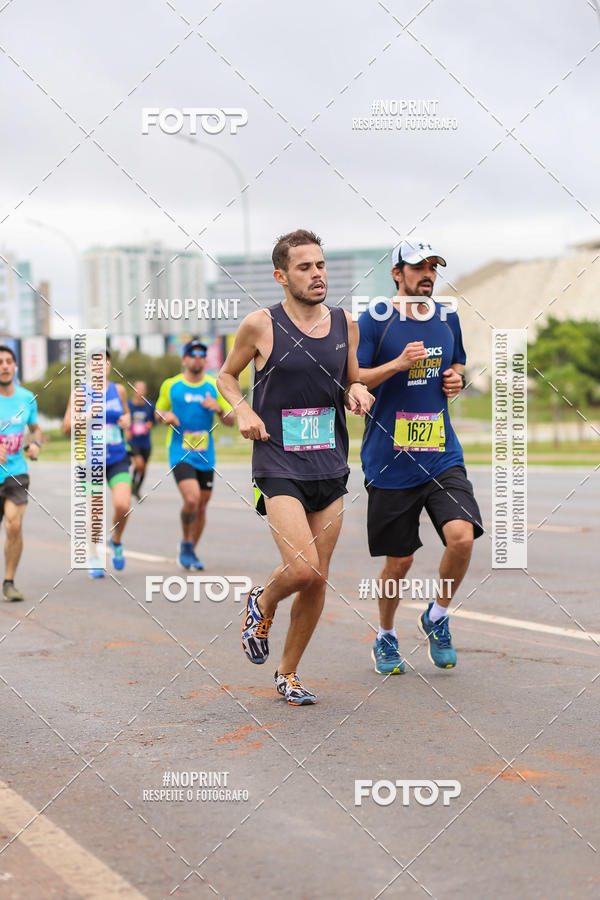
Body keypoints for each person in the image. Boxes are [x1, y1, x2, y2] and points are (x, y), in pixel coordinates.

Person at [218, 229, 373, 706]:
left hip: (329, 461)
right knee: (302, 570)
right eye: (305, 267)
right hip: (278, 459)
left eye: (321, 265)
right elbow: (226, 376)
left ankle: (288, 674)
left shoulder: (345, 324)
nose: (317, 274)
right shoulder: (260, 325)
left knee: (319, 577)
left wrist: (358, 391)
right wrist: (243, 410)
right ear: (281, 276)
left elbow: (350, 381)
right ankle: (263, 601)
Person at [357, 239, 483, 675]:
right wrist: (396, 365)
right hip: (390, 459)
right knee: (401, 561)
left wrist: (455, 379)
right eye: (418, 267)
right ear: (397, 274)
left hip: (440, 453)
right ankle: (385, 634)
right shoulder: (375, 320)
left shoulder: (448, 317)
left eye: (433, 267)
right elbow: (356, 380)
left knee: (462, 537)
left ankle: (437, 616)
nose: (427, 274)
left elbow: (458, 364)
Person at [155, 340, 234, 570]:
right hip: (180, 451)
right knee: (192, 499)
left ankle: (188, 548)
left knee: (202, 505)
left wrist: (219, 408)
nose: (197, 358)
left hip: (206, 454)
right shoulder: (171, 385)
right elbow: (159, 411)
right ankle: (186, 544)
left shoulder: (213, 385)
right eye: (192, 354)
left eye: (202, 355)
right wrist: (166, 417)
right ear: (184, 359)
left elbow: (231, 420)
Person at [63, 349, 132, 578]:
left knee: (123, 505)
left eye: (104, 362)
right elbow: (66, 427)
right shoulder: (80, 394)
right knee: (95, 513)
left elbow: (126, 415)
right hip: (90, 461)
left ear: (109, 366)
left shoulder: (118, 390)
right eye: (94, 363)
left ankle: (116, 540)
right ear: (88, 368)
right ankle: (93, 555)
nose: (99, 367)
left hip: (117, 457)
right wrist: (86, 416)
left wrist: (126, 421)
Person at [0, 346, 42, 602]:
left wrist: (35, 443)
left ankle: (9, 582)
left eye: (8, 361)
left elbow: (35, 429)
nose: (4, 366)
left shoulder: (27, 398)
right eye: (0, 362)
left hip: (16, 472)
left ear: (15, 366)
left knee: (13, 524)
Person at [128, 380, 154, 500]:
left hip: (145, 442)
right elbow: (122, 418)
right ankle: (132, 484)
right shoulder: (128, 405)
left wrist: (150, 424)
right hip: (133, 441)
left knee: (143, 468)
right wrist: (126, 429)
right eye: (138, 389)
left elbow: (154, 419)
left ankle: (136, 489)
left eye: (142, 389)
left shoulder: (149, 405)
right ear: (133, 390)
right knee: (139, 464)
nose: (140, 392)